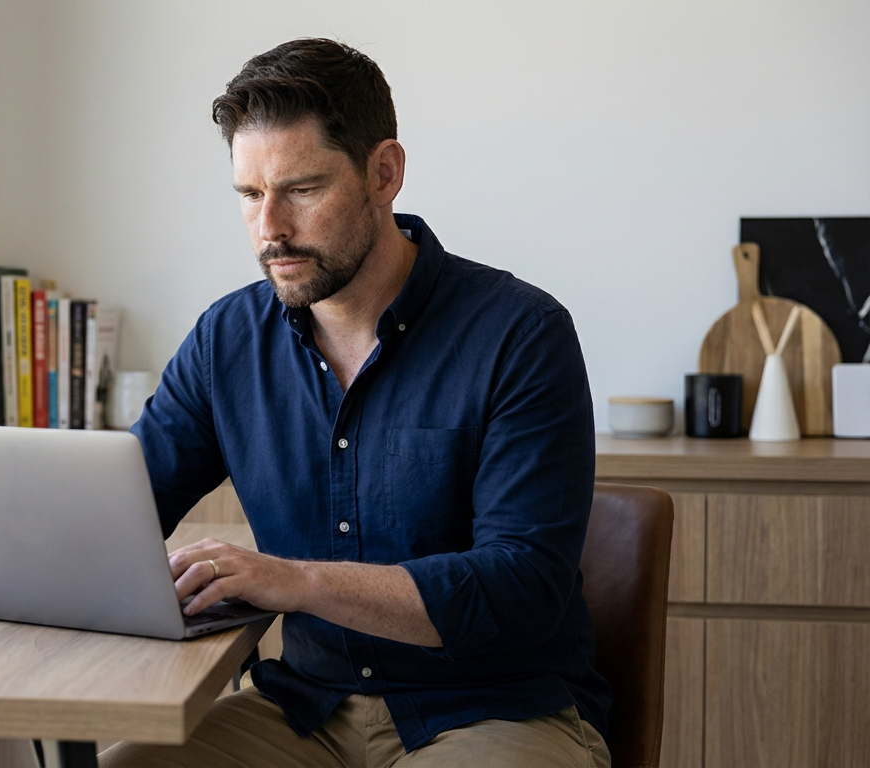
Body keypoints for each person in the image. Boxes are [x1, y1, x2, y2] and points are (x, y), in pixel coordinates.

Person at [102, 38, 612, 768]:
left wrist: (299, 581)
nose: (270, 227)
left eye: (302, 190)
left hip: (495, 710)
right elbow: (123, 509)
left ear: (384, 173)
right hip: (304, 708)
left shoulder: (521, 333)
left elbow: (522, 587)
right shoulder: (228, 340)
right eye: (249, 195)